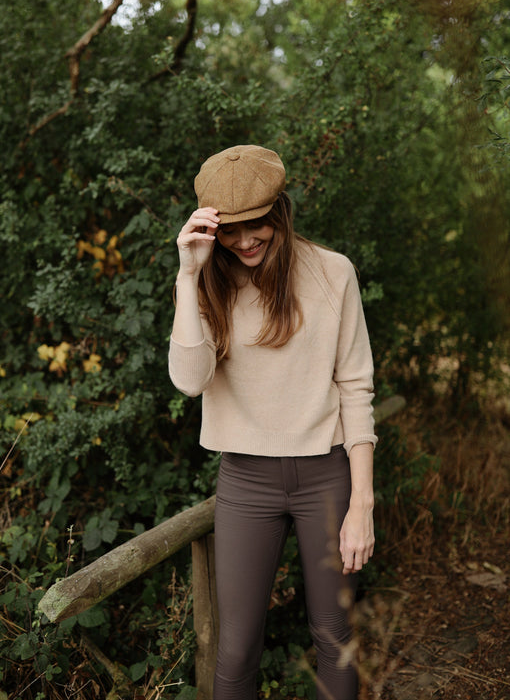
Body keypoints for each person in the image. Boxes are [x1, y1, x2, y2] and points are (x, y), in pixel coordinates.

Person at [169, 145, 376, 700]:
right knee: (235, 647)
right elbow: (190, 380)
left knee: (334, 636)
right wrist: (188, 276)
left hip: (328, 478)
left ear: (280, 211)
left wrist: (362, 503)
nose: (243, 241)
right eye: (229, 231)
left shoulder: (334, 273)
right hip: (245, 481)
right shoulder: (207, 284)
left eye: (255, 225)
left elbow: (356, 388)